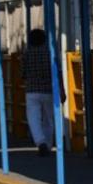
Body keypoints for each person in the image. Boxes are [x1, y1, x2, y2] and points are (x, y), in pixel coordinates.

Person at [22, 29, 67, 157]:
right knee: (49, 119)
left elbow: (23, 73)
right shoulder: (50, 53)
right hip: (49, 90)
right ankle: (48, 144)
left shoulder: (27, 54)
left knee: (33, 118)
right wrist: (62, 90)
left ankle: (40, 142)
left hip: (32, 90)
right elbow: (58, 73)